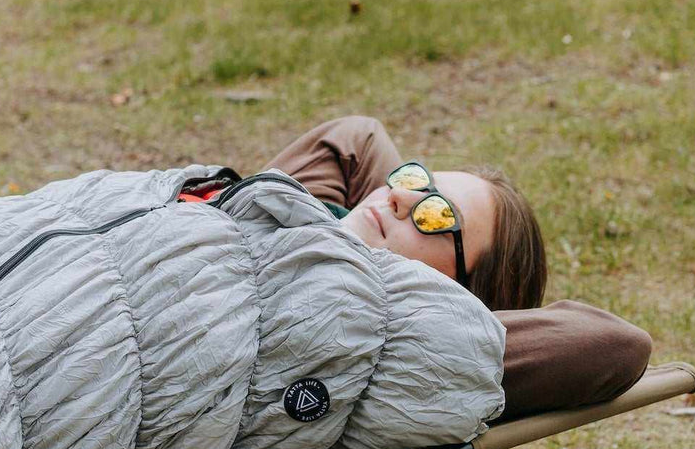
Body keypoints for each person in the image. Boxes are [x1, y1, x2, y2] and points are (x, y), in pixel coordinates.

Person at [264, 116, 652, 421]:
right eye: (416, 182)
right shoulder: (300, 227)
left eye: (437, 215)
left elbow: (617, 346)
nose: (397, 197)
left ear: (458, 297)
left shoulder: (402, 347)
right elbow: (357, 137)